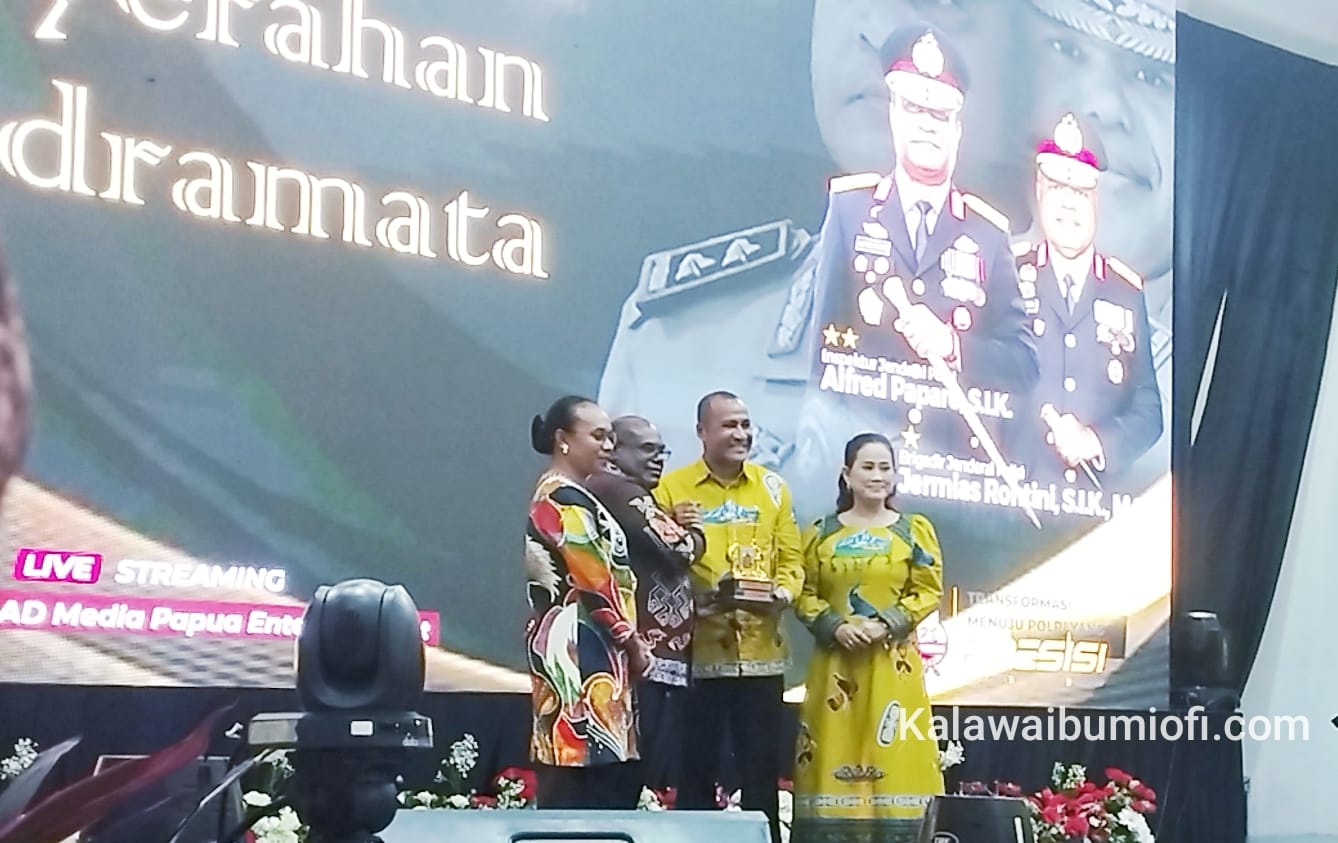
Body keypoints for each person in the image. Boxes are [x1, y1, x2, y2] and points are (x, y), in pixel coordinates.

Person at [787, 22, 1039, 524]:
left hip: (952, 480)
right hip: (859, 477)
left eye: (939, 114)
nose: (927, 125)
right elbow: (822, 348)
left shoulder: (989, 233)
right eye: (913, 109)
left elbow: (1023, 363)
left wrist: (953, 345)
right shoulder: (850, 209)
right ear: (893, 115)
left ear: (958, 128)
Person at [653, 391, 804, 843]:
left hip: (762, 655)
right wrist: (672, 529)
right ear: (702, 432)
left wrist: (782, 593)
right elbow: (653, 568)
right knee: (695, 770)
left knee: (761, 773)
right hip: (698, 655)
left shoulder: (773, 488)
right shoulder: (670, 490)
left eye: (745, 424)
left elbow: (792, 561)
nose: (741, 434)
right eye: (729, 425)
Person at [791, 433, 944, 843]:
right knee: (832, 748)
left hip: (892, 666)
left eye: (885, 468)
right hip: (834, 667)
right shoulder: (820, 533)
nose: (878, 476)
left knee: (894, 750)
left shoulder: (914, 531)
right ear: (847, 474)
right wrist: (835, 627)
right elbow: (803, 592)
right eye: (868, 467)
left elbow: (927, 591)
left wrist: (886, 624)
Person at [1009, 113, 1162, 499]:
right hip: (1009, 501)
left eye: (1080, 191)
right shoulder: (1006, 274)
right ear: (1038, 190)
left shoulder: (1125, 292)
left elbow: (1149, 410)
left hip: (1089, 506)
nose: (1068, 204)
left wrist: (1096, 442)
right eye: (1057, 187)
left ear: (1097, 200)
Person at [524, 395, 652, 809]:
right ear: (563, 439)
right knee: (580, 783)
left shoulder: (572, 493)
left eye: (611, 437)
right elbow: (595, 581)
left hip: (592, 651)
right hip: (579, 655)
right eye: (598, 436)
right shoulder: (563, 498)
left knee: (591, 777)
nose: (608, 446)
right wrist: (632, 642)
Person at [584, 415, 706, 795]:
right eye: (647, 449)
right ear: (614, 450)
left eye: (662, 451)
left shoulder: (619, 491)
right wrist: (694, 531)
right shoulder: (620, 490)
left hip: (646, 655)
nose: (658, 459)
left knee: (633, 772)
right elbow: (680, 549)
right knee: (627, 774)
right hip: (638, 657)